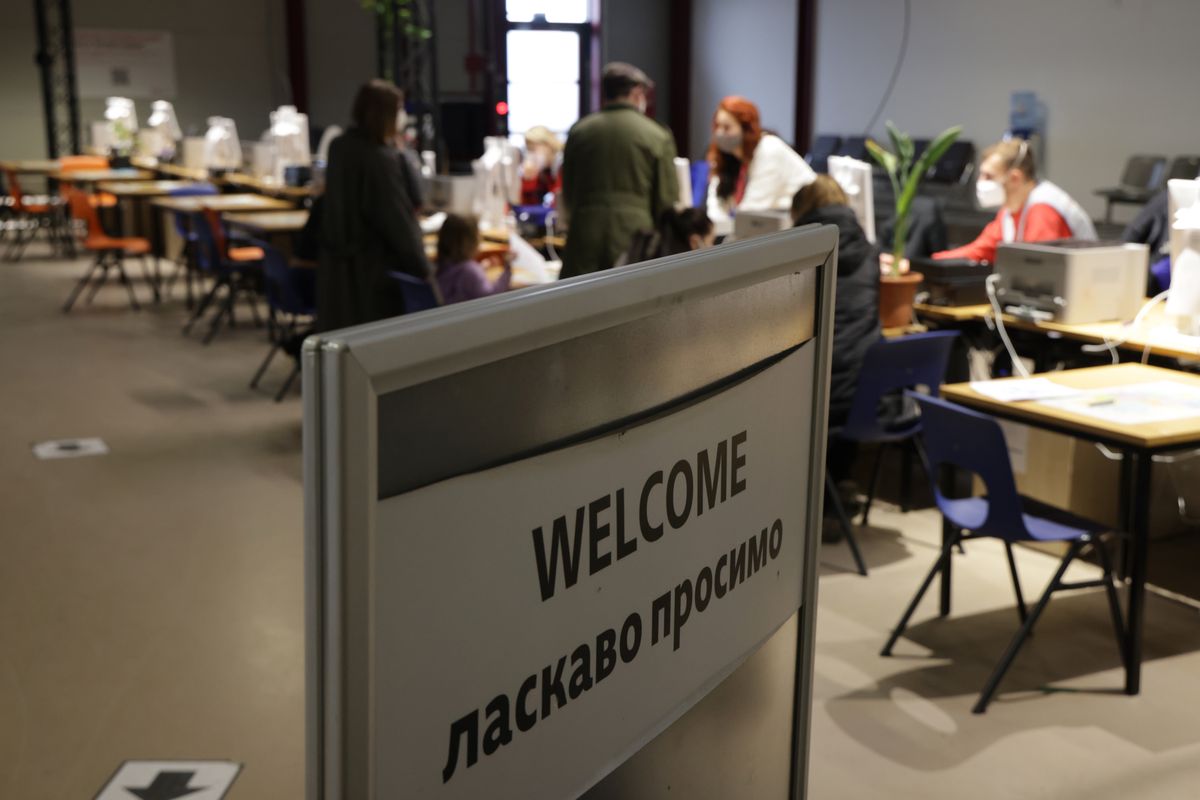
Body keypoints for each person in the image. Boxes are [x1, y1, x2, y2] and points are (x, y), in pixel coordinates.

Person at [792, 176, 882, 526]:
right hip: (868, 392)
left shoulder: (803, 252)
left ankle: (817, 497)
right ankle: (838, 487)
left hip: (823, 388)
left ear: (803, 210)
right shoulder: (870, 252)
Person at [318, 80, 429, 331]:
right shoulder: (379, 160)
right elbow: (397, 218)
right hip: (371, 274)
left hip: (337, 270)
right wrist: (423, 269)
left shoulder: (340, 147)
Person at [560, 62, 679, 278]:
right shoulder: (656, 135)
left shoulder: (579, 132)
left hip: (584, 234)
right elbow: (665, 199)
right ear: (636, 92)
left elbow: (568, 190)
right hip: (634, 236)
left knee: (580, 303)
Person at [931, 139, 1097, 263]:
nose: (980, 182)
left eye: (988, 176)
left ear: (1015, 178)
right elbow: (981, 250)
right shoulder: (1009, 210)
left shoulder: (1043, 210)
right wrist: (930, 262)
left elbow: (1040, 266)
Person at [706, 96, 815, 235]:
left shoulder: (769, 149)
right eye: (717, 126)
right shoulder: (729, 158)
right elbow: (716, 206)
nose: (719, 133)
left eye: (727, 127)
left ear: (746, 129)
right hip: (776, 227)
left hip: (806, 223)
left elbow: (752, 211)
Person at [435, 213, 512, 304]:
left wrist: (482, 267)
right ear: (469, 241)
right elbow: (491, 297)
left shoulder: (443, 265)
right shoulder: (470, 270)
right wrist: (507, 269)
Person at [618, 207, 715, 266]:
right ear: (695, 241)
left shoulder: (649, 245)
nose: (713, 247)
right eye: (711, 241)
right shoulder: (681, 271)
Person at [520, 126, 563, 206]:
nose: (531, 154)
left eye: (533, 148)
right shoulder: (545, 172)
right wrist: (529, 180)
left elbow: (557, 206)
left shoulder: (563, 165)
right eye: (528, 149)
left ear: (548, 145)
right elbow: (529, 208)